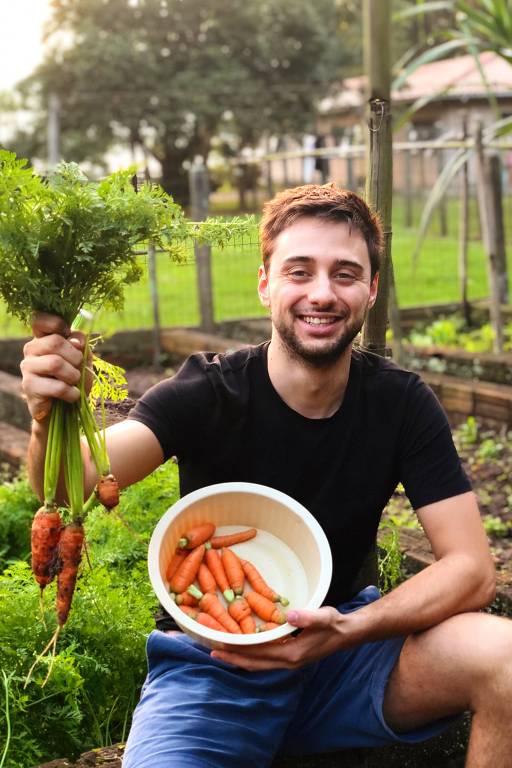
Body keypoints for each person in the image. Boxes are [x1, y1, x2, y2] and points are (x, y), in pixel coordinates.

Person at [21, 184, 512, 768]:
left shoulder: (401, 404)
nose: (322, 293)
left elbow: (473, 572)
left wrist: (348, 633)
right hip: (214, 667)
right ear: (265, 283)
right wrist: (44, 417)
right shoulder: (208, 391)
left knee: (505, 658)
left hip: (345, 652)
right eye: (299, 271)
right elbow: (64, 485)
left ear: (372, 290)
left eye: (346, 274)